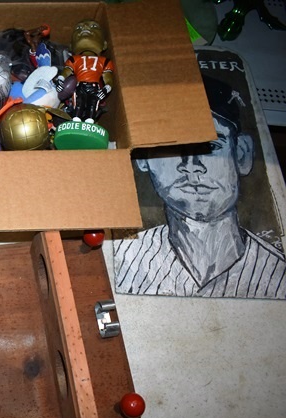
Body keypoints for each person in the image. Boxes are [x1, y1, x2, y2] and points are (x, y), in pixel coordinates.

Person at [114, 75, 286, 299]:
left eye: (211, 146)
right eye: (171, 145)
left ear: (242, 153)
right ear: (143, 157)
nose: (191, 166)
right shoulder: (124, 262)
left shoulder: (277, 275)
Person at [57, 19, 114, 123]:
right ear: (71, 47)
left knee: (92, 105)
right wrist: (60, 79)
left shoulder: (105, 61)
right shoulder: (74, 59)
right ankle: (76, 121)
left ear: (104, 45)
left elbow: (108, 78)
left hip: (95, 87)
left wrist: (106, 88)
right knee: (78, 104)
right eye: (78, 28)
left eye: (94, 27)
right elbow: (67, 70)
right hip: (80, 86)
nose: (85, 28)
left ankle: (90, 121)